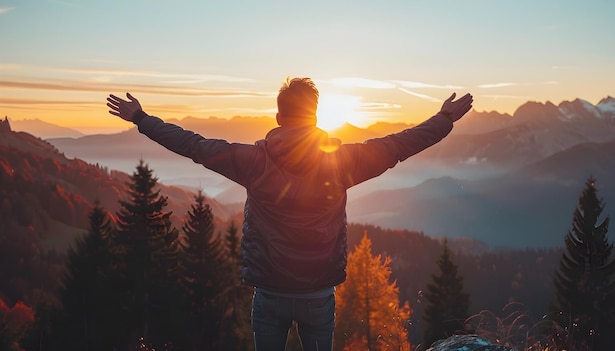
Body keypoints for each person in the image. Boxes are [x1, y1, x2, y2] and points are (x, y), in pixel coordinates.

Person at [106, 77, 473, 351]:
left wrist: (140, 117)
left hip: (269, 291)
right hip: (318, 292)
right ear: (314, 117)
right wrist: (443, 119)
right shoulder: (341, 161)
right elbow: (398, 145)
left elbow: (194, 145)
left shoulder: (252, 161)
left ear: (279, 117)